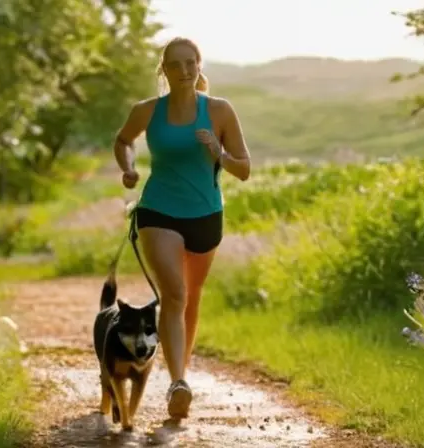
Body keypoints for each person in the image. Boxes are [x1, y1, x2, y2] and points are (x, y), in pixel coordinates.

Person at [112, 36, 251, 420]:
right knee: (174, 294)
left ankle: (180, 376)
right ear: (165, 70)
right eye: (176, 64)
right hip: (158, 210)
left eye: (192, 62)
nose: (185, 70)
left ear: (199, 65)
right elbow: (123, 140)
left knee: (189, 299)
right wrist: (128, 167)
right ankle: (177, 383)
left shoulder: (220, 111)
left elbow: (244, 168)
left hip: (206, 215)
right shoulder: (147, 111)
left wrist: (218, 153)